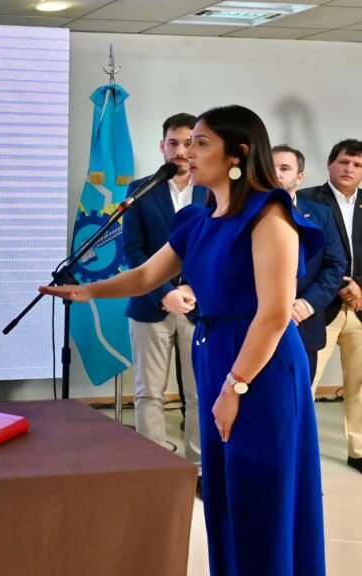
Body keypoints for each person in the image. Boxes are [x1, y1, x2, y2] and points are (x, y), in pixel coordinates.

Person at [42, 105, 325, 575]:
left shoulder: (269, 213)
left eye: (201, 143)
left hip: (260, 366)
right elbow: (146, 275)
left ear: (237, 154)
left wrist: (234, 387)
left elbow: (275, 314)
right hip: (216, 356)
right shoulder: (198, 219)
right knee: (226, 495)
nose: (188, 152)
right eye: (187, 142)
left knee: (259, 493)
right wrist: (88, 290)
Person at [121, 113, 206, 472]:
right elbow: (133, 251)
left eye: (190, 143)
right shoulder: (140, 190)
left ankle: (199, 468)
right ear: (162, 146)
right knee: (148, 393)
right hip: (150, 305)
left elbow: (222, 249)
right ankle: (152, 468)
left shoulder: (213, 189)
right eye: (173, 143)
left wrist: (193, 288)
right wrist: (164, 292)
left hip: (201, 306)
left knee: (200, 394)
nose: (181, 151)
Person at [298, 139, 362, 474]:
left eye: (357, 165)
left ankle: (358, 450)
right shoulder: (306, 200)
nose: (350, 169)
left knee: (360, 386)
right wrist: (340, 286)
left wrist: (360, 286)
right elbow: (306, 258)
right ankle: (300, 452)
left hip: (360, 307)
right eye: (344, 162)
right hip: (320, 307)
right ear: (330, 164)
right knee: (304, 383)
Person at [272, 145, 346, 383]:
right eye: (270, 167)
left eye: (284, 168)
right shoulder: (243, 213)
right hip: (254, 323)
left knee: (300, 397)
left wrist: (307, 304)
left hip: (303, 322)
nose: (276, 173)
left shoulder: (320, 214)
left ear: (299, 176)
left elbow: (335, 265)